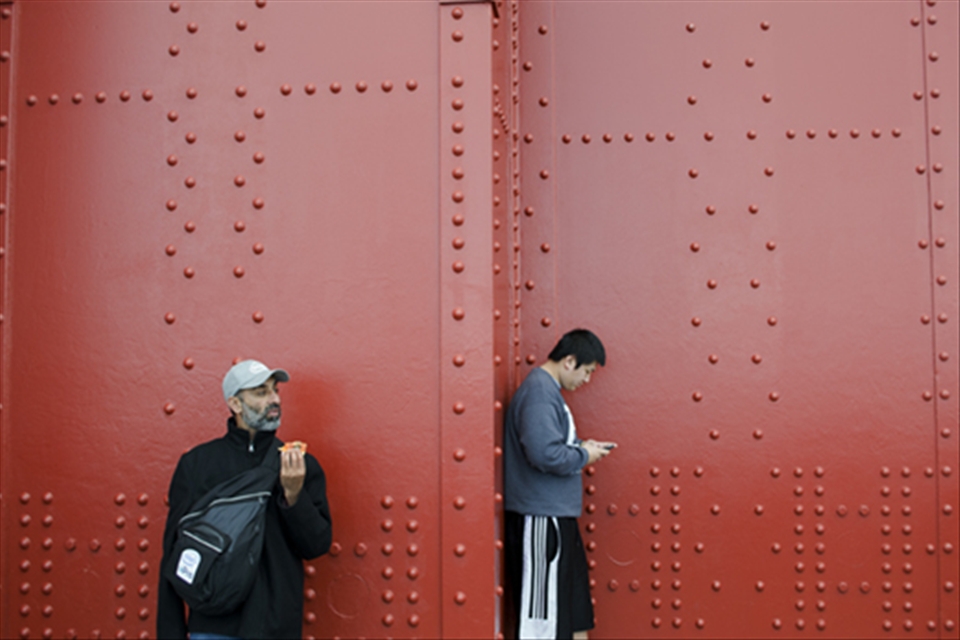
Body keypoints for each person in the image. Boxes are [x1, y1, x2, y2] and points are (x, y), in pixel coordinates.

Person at [158, 359, 333, 639]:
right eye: (261, 392)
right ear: (236, 404)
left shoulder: (299, 463)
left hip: (276, 627)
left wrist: (293, 495)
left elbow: (316, 544)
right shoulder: (197, 464)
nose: (274, 399)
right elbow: (175, 553)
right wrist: (172, 633)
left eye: (275, 390)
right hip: (214, 625)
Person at [503, 329, 616, 640]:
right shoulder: (540, 392)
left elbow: (549, 445)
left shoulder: (546, 391)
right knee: (542, 622)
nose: (587, 380)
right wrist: (584, 455)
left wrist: (582, 446)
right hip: (541, 518)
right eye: (588, 371)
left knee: (569, 613)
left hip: (552, 516)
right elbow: (543, 453)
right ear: (569, 361)